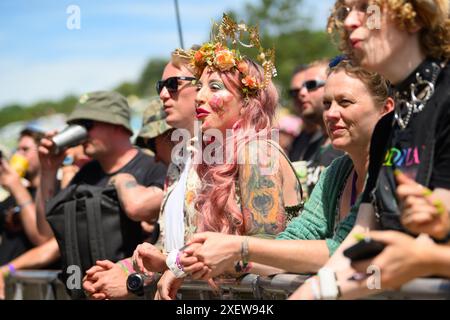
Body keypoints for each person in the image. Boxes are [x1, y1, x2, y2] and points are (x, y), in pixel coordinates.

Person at [169, 59, 394, 285]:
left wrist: (238, 248)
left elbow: (345, 248)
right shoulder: (338, 171)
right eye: (326, 104)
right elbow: (292, 241)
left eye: (345, 102)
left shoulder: (392, 167)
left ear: (386, 109)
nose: (331, 114)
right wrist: (184, 264)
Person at [291, 0, 450, 299]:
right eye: (345, 11)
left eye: (366, 8)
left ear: (413, 16)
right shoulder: (388, 127)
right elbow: (362, 231)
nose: (350, 21)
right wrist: (312, 291)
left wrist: (425, 253)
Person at [82, 51, 199, 299]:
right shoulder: (179, 166)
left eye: (173, 84)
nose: (163, 94)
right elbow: (167, 248)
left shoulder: (238, 154)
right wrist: (123, 269)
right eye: (161, 86)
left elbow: (230, 250)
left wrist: (131, 282)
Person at [288, 60, 344, 196]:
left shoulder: (348, 146)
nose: (302, 93)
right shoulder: (311, 145)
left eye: (311, 85)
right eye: (296, 91)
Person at [0, 127, 48, 265]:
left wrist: (16, 186)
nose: (19, 155)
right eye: (18, 150)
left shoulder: (54, 190)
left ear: (42, 151)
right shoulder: (12, 197)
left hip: (31, 283)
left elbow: (41, 238)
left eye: (25, 149)